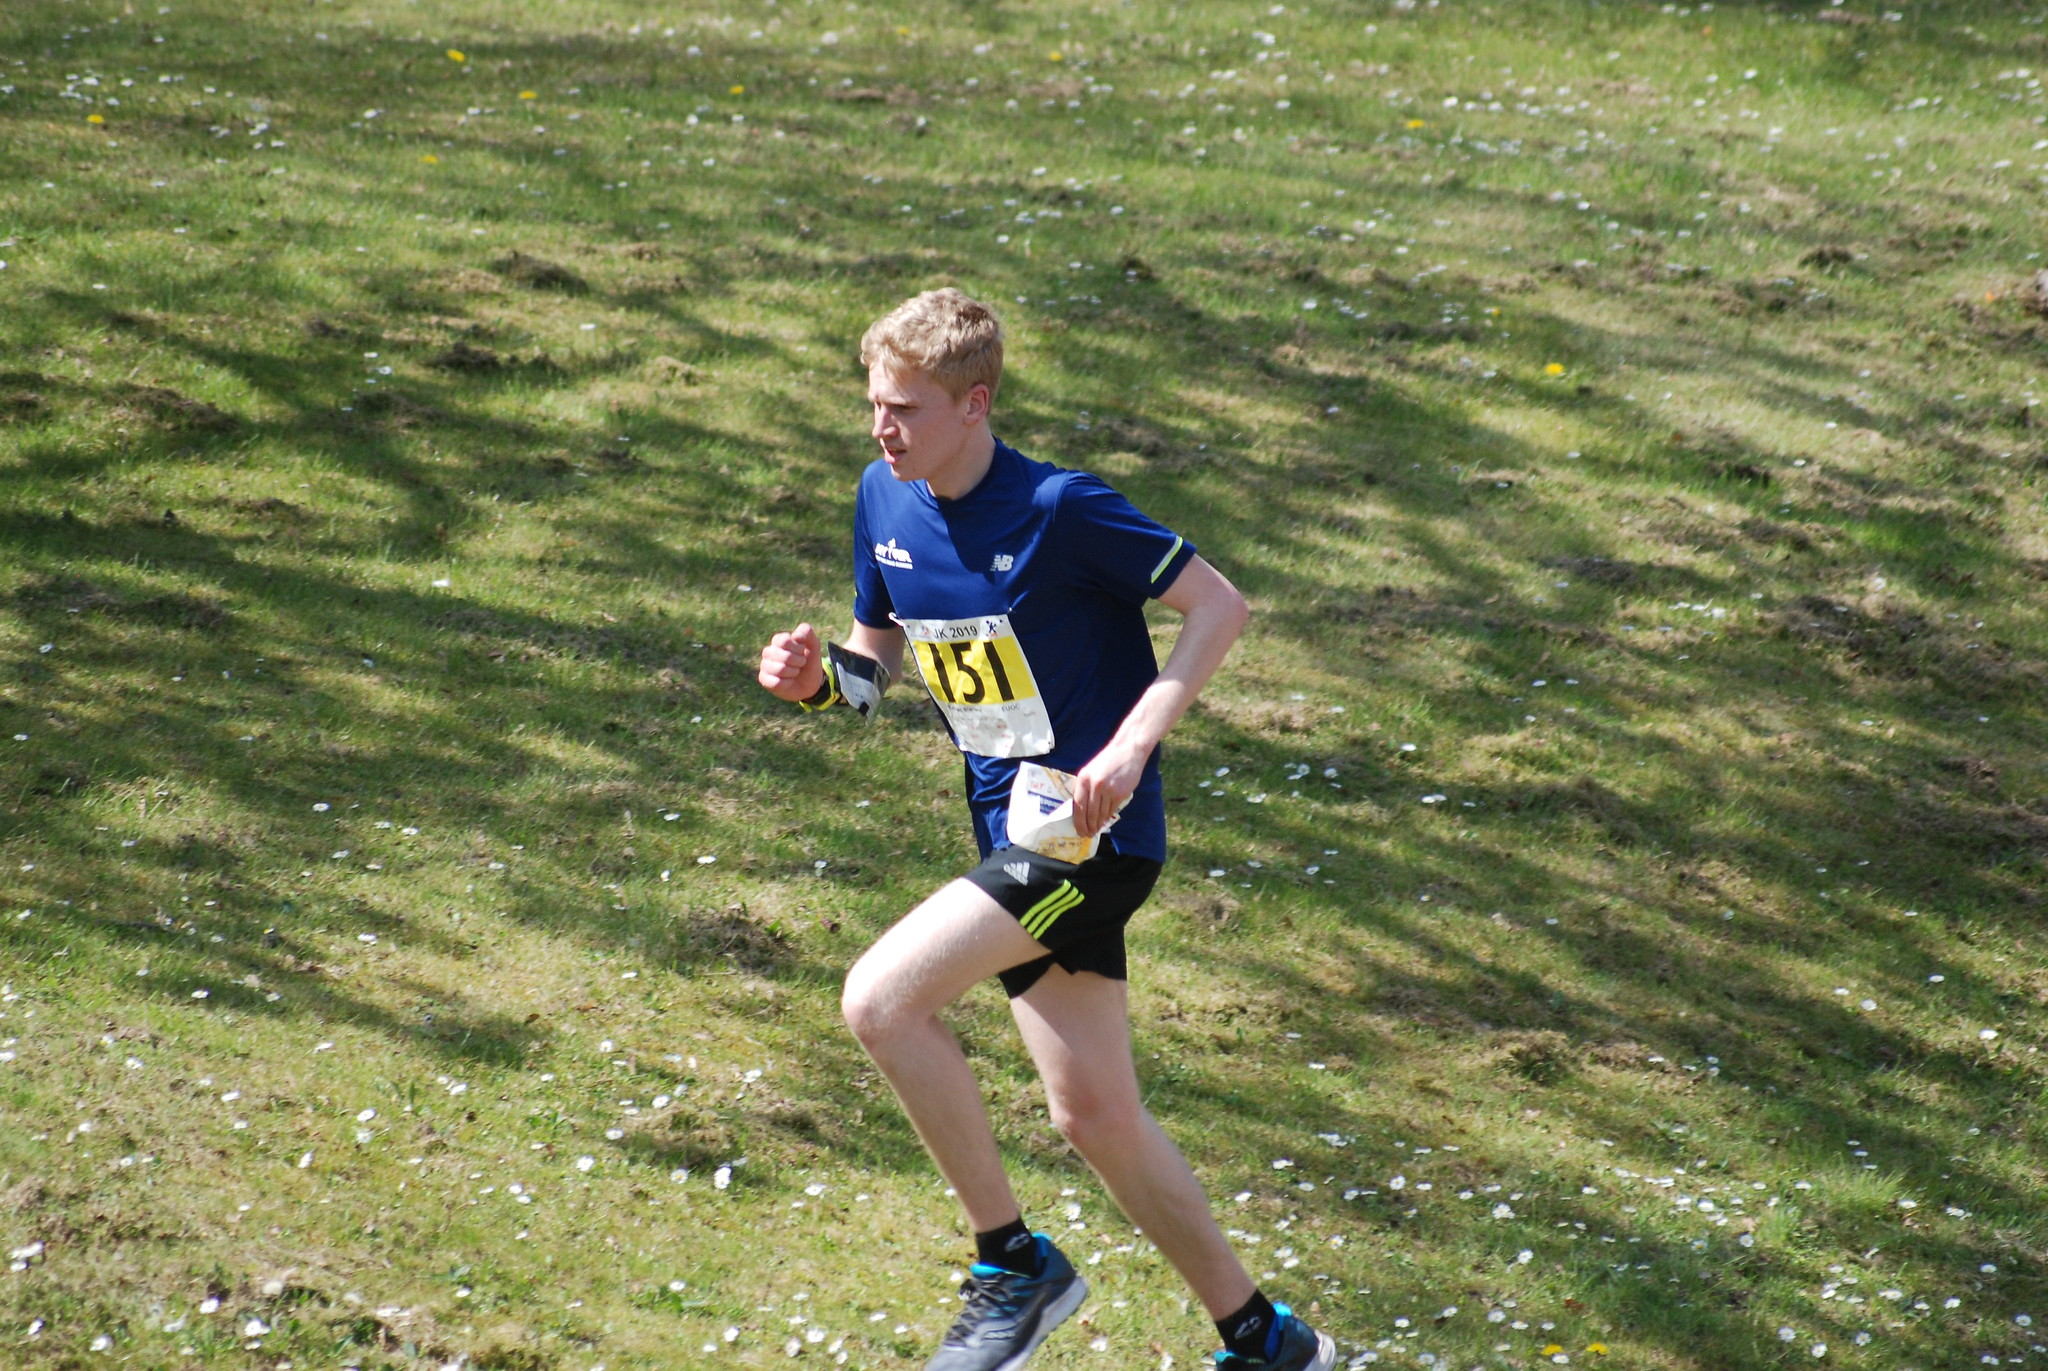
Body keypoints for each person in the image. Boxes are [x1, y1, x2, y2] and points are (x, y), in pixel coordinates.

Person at [757, 288, 1337, 1371]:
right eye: (875, 404)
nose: (883, 429)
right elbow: (875, 664)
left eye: (906, 409)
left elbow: (1219, 606)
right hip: (1011, 835)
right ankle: (1264, 1339)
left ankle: (1012, 1265)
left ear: (974, 405)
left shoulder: (1061, 509)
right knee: (1095, 1115)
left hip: (1092, 839)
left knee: (880, 1001)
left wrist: (1131, 747)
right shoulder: (882, 500)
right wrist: (815, 682)